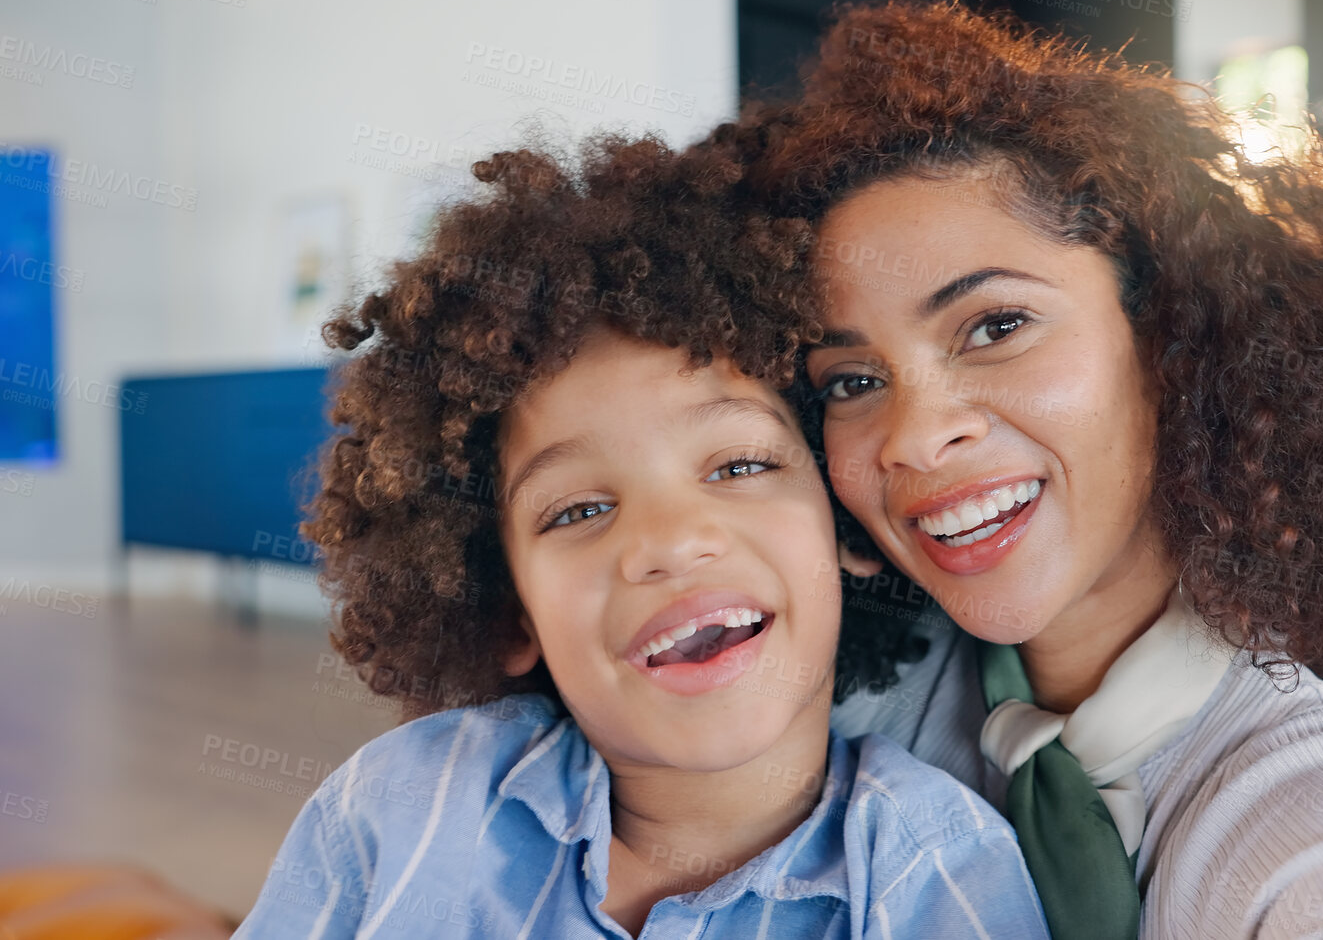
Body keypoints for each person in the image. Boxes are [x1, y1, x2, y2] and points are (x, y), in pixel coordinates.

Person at [730, 0, 1323, 939]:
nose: (914, 437)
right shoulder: (830, 716)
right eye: (852, 380)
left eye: (996, 327)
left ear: (1175, 342)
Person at [231, 134, 1049, 939]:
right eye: (577, 510)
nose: (671, 539)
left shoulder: (933, 869)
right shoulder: (396, 806)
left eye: (736, 466)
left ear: (840, 520)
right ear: (508, 606)